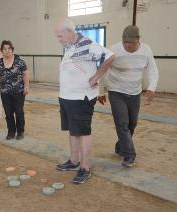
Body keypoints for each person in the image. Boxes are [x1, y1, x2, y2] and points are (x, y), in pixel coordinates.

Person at [55, 18, 114, 184]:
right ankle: (73, 161)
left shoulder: (87, 44)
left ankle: (85, 167)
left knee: (83, 131)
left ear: (69, 32)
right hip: (67, 96)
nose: (58, 39)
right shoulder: (69, 46)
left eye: (60, 36)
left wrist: (96, 77)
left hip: (81, 97)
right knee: (73, 130)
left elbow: (109, 56)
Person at [98, 25, 159, 168]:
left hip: (135, 93)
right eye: (125, 42)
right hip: (116, 91)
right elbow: (102, 69)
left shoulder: (146, 50)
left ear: (138, 40)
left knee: (132, 124)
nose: (127, 45)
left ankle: (120, 147)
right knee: (122, 123)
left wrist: (151, 88)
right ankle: (129, 155)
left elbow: (153, 70)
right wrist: (101, 91)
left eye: (130, 43)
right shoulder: (114, 50)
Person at [0, 40, 29, 140]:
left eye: (9, 48)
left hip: (18, 91)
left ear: (12, 49)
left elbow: (25, 73)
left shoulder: (19, 60)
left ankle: (20, 132)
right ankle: (11, 132)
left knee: (19, 112)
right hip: (5, 92)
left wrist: (26, 86)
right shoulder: (0, 62)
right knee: (8, 113)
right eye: (4, 49)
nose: (7, 51)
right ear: (1, 51)